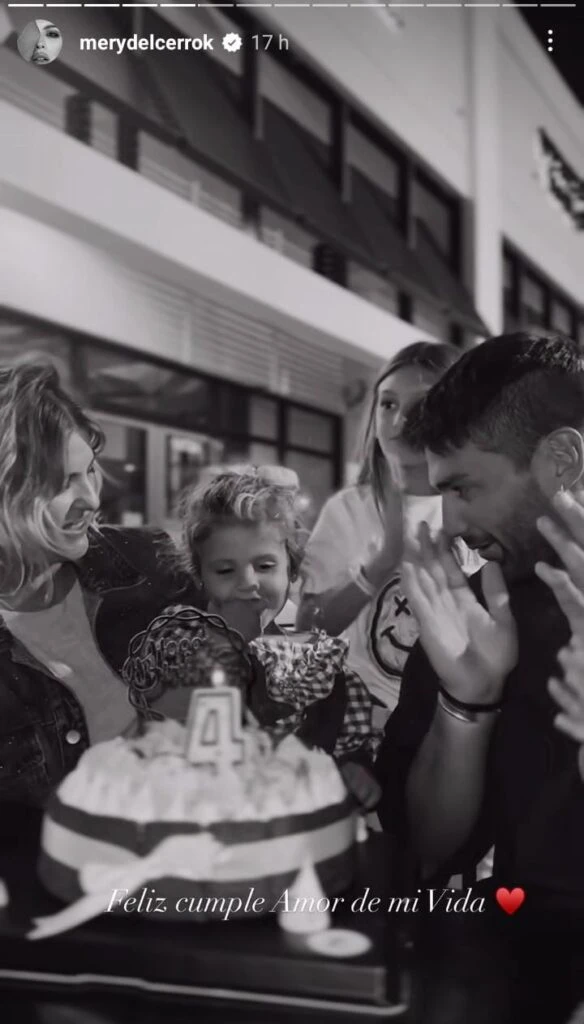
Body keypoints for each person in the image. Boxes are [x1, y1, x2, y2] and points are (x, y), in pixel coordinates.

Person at [376, 332, 584, 1023]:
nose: (452, 524)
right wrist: (469, 702)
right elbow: (431, 850)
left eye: (465, 489)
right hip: (522, 965)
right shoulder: (473, 612)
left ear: (561, 461)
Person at [0, 362, 200, 810]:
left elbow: (236, 680)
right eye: (59, 484)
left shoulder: (149, 560)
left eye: (90, 471)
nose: (91, 499)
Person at [122, 467, 382, 808]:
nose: (248, 583)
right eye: (225, 570)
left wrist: (353, 769)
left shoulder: (323, 666)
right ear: (200, 575)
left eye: (264, 566)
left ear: (291, 568)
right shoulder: (177, 645)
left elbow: (347, 743)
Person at [298, 342, 477, 717]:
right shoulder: (348, 509)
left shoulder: (480, 511)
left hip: (449, 724)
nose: (399, 422)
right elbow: (307, 629)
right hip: (355, 719)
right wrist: (383, 561)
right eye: (388, 404)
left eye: (421, 406)